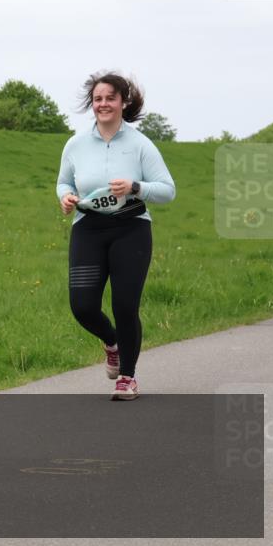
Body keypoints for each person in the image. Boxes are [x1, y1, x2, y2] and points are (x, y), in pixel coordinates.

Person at [56, 72, 175, 400]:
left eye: (110, 98)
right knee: (82, 306)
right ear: (91, 104)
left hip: (131, 229)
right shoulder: (76, 144)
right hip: (88, 229)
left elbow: (167, 191)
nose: (103, 104)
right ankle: (112, 343)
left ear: (123, 102)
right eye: (98, 99)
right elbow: (64, 182)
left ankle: (128, 377)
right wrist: (65, 197)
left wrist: (136, 187)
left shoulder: (140, 144)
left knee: (125, 305)